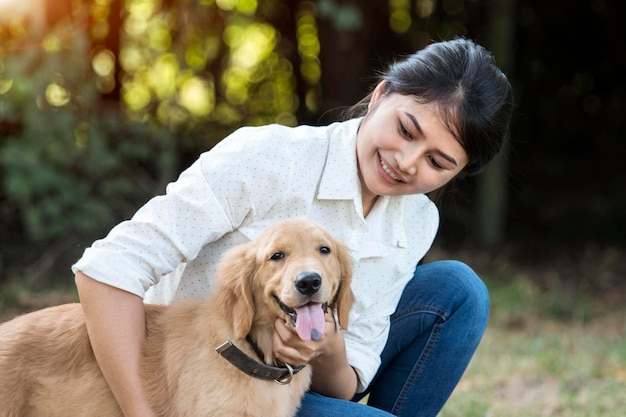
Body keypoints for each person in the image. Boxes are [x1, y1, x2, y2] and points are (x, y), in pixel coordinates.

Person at [73, 37, 513, 417]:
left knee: (460, 291)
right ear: (380, 95)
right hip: (196, 381)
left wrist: (326, 349)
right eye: (405, 130)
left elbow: (344, 387)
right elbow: (110, 267)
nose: (406, 162)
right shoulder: (269, 158)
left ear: (457, 174)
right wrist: (139, 410)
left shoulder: (418, 218)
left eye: (437, 163)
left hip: (291, 387)